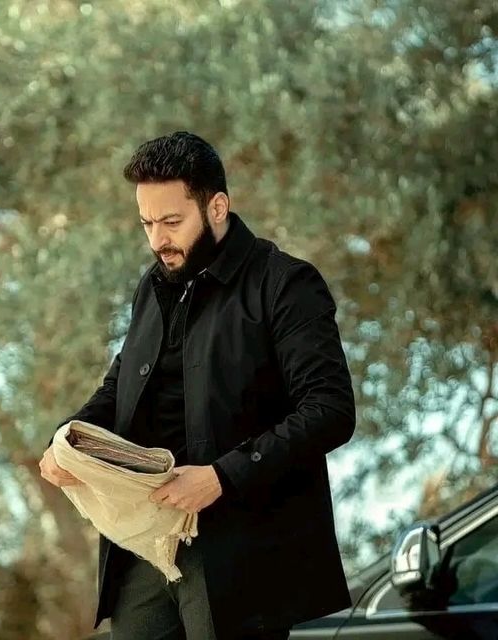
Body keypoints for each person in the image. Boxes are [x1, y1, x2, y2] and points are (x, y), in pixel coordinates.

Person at [39, 131, 356, 640]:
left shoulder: (286, 283)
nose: (157, 240)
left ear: (217, 207)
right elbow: (121, 384)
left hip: (243, 552)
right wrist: (67, 438)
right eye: (147, 223)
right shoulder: (152, 286)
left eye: (171, 222)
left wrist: (220, 477)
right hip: (147, 543)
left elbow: (330, 410)